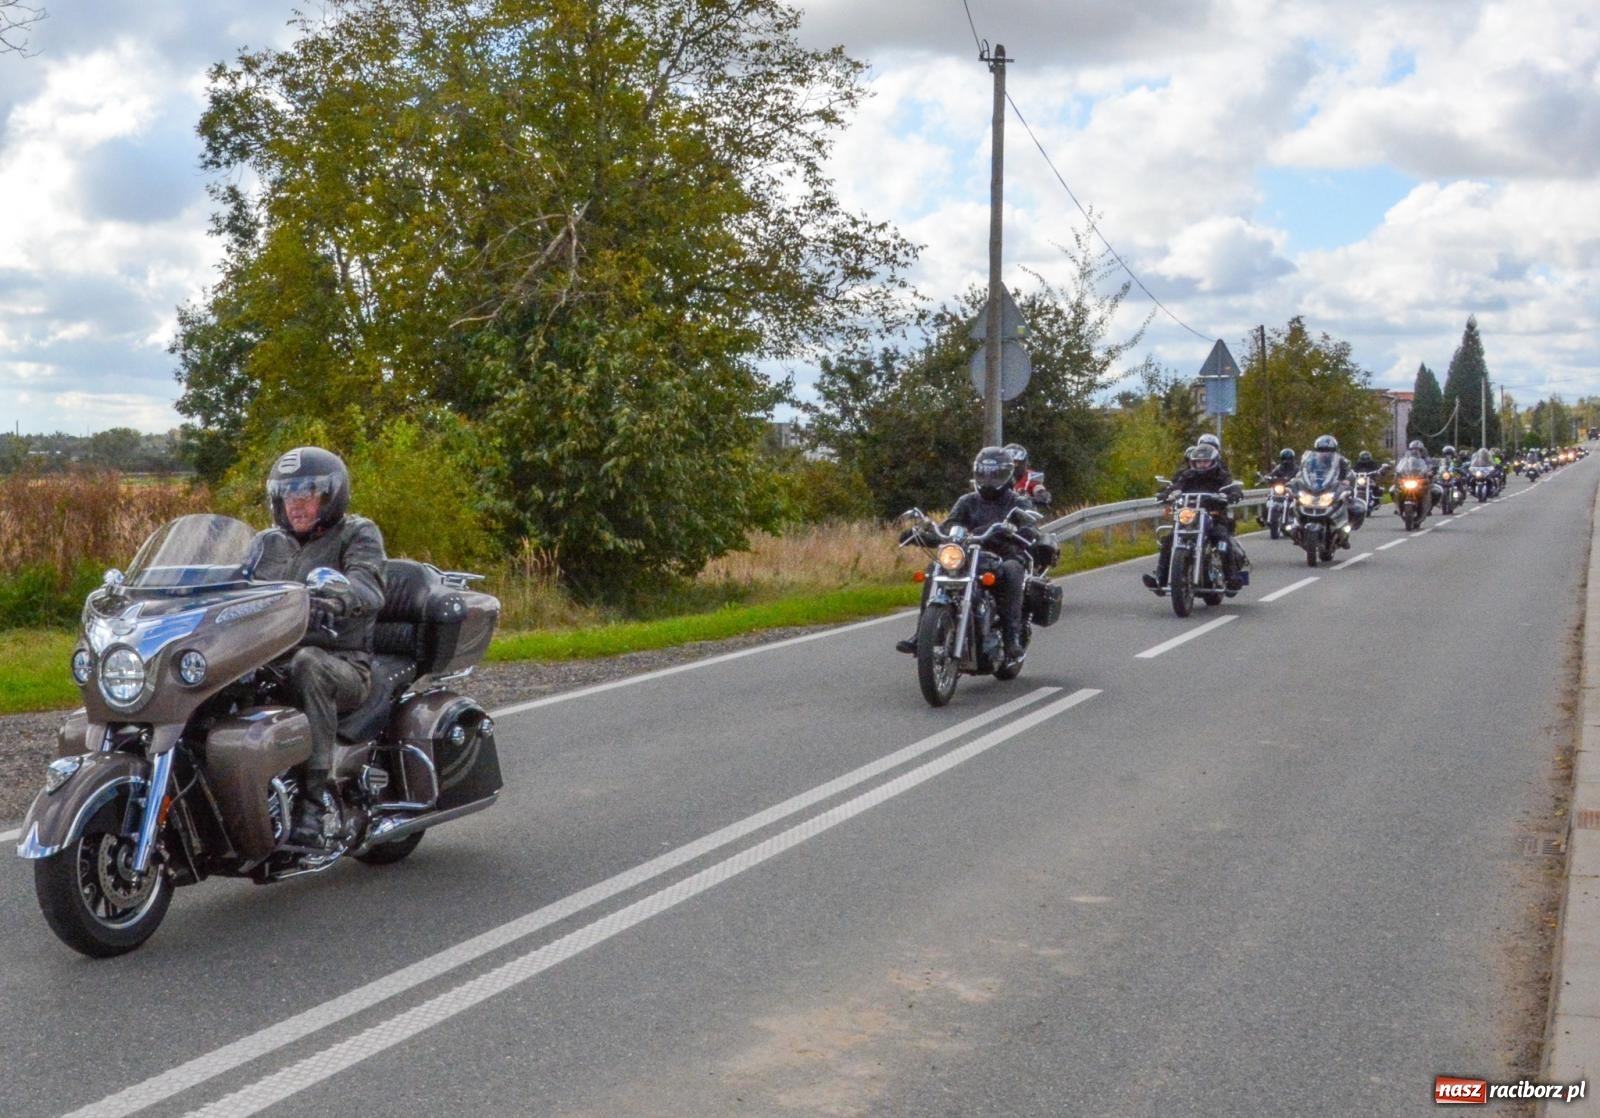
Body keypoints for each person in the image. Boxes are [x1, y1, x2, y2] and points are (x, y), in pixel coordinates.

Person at [251, 447, 387, 846]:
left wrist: (337, 598)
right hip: (274, 658)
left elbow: (369, 586)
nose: (297, 502)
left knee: (308, 662)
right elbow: (231, 585)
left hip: (342, 663)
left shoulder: (357, 533)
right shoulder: (265, 544)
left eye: (308, 492)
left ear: (331, 496)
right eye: (288, 493)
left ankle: (316, 800)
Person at [897, 446, 1032, 661]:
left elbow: (1029, 521)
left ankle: (1011, 637)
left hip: (1004, 554)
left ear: (1006, 475)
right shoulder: (967, 501)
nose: (988, 479)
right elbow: (951, 525)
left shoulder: (1016, 501)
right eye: (984, 474)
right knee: (934, 569)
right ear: (976, 473)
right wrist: (924, 534)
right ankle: (921, 634)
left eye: (994, 474)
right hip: (968, 555)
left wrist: (1019, 529)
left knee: (1013, 570)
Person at [1142, 443, 1245, 591]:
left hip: (1213, 516)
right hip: (1189, 516)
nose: (1202, 465)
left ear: (1213, 462)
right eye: (1198, 462)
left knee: (1222, 538)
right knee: (1169, 541)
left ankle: (1232, 578)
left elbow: (1232, 486)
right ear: (1193, 462)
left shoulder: (1221, 476)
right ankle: (1160, 578)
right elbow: (1175, 487)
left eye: (1205, 462)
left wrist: (1234, 494)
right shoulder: (1187, 475)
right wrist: (1165, 494)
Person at [1004, 442, 1053, 509]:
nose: (1012, 465)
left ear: (1023, 463)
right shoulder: (996, 477)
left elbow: (1038, 488)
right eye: (1009, 462)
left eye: (1015, 462)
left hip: (1021, 515)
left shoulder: (1031, 477)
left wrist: (1042, 495)